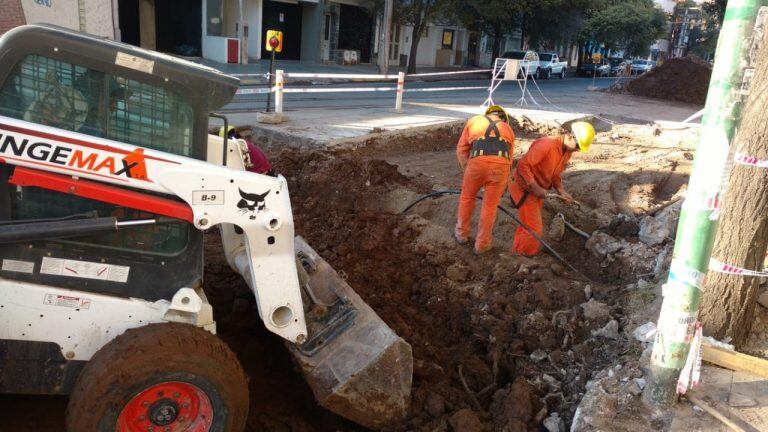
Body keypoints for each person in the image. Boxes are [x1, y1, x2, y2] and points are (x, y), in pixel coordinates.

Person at [508, 121, 595, 256]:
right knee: (533, 229)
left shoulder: (566, 151)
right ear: (570, 136)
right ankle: (521, 258)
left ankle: (517, 251)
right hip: (523, 188)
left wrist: (561, 190)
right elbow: (522, 166)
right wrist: (535, 187)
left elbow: (555, 173)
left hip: (536, 190)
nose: (577, 149)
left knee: (528, 223)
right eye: (578, 145)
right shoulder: (546, 145)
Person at [454, 105, 516, 254]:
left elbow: (462, 150)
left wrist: (468, 169)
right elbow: (510, 159)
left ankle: (461, 234)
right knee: (490, 206)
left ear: (489, 113)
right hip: (501, 167)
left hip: (477, 162)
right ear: (503, 119)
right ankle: (482, 244)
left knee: (467, 197)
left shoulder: (474, 121)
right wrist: (505, 180)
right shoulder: (508, 130)